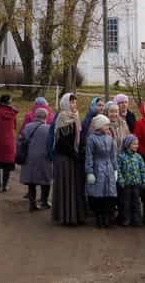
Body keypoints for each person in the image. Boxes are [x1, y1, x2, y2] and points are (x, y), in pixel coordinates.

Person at [50, 93, 86, 226]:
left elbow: (78, 138)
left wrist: (79, 151)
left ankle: (75, 215)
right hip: (64, 157)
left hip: (73, 157)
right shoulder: (62, 117)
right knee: (67, 187)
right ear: (65, 103)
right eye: (71, 102)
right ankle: (66, 216)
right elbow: (62, 142)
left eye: (75, 102)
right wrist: (73, 154)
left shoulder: (76, 117)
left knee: (74, 186)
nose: (73, 105)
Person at [84, 114, 117, 228]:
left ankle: (107, 217)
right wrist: (90, 172)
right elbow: (89, 156)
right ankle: (99, 217)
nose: (108, 126)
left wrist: (115, 169)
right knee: (98, 194)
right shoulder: (92, 139)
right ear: (99, 126)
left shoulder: (109, 138)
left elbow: (113, 155)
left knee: (109, 193)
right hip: (98, 168)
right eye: (106, 124)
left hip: (109, 168)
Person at [18, 107, 53, 211]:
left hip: (29, 158)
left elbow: (20, 141)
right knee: (46, 181)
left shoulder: (27, 127)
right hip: (44, 158)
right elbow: (51, 145)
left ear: (35, 116)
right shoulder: (48, 128)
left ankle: (32, 203)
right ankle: (44, 201)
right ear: (46, 117)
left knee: (31, 181)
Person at [0, 95, 18, 192]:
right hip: (9, 141)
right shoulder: (12, 112)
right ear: (8, 102)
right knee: (7, 164)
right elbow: (14, 126)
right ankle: (5, 185)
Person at [117, 134, 145, 226]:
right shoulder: (121, 157)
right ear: (128, 145)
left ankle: (137, 220)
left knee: (136, 202)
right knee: (126, 203)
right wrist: (121, 180)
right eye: (134, 144)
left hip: (137, 183)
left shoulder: (138, 157)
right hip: (126, 184)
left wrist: (144, 182)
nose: (136, 146)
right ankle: (126, 219)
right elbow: (118, 170)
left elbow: (143, 170)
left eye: (137, 144)